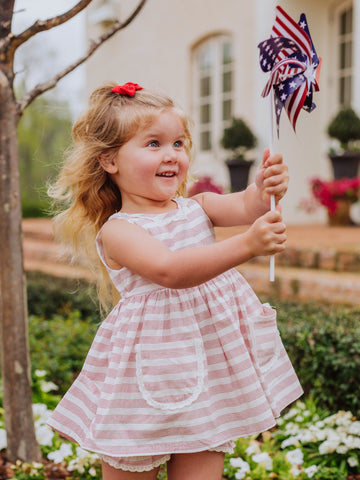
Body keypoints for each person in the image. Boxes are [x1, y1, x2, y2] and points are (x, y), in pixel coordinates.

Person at [47, 81, 303, 480]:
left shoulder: (196, 207)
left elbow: (246, 206)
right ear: (109, 160)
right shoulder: (119, 230)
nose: (171, 155)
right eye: (153, 144)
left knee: (203, 461)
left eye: (178, 143)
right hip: (145, 375)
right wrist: (247, 245)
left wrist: (265, 187)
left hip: (207, 374)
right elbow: (170, 270)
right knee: (132, 461)